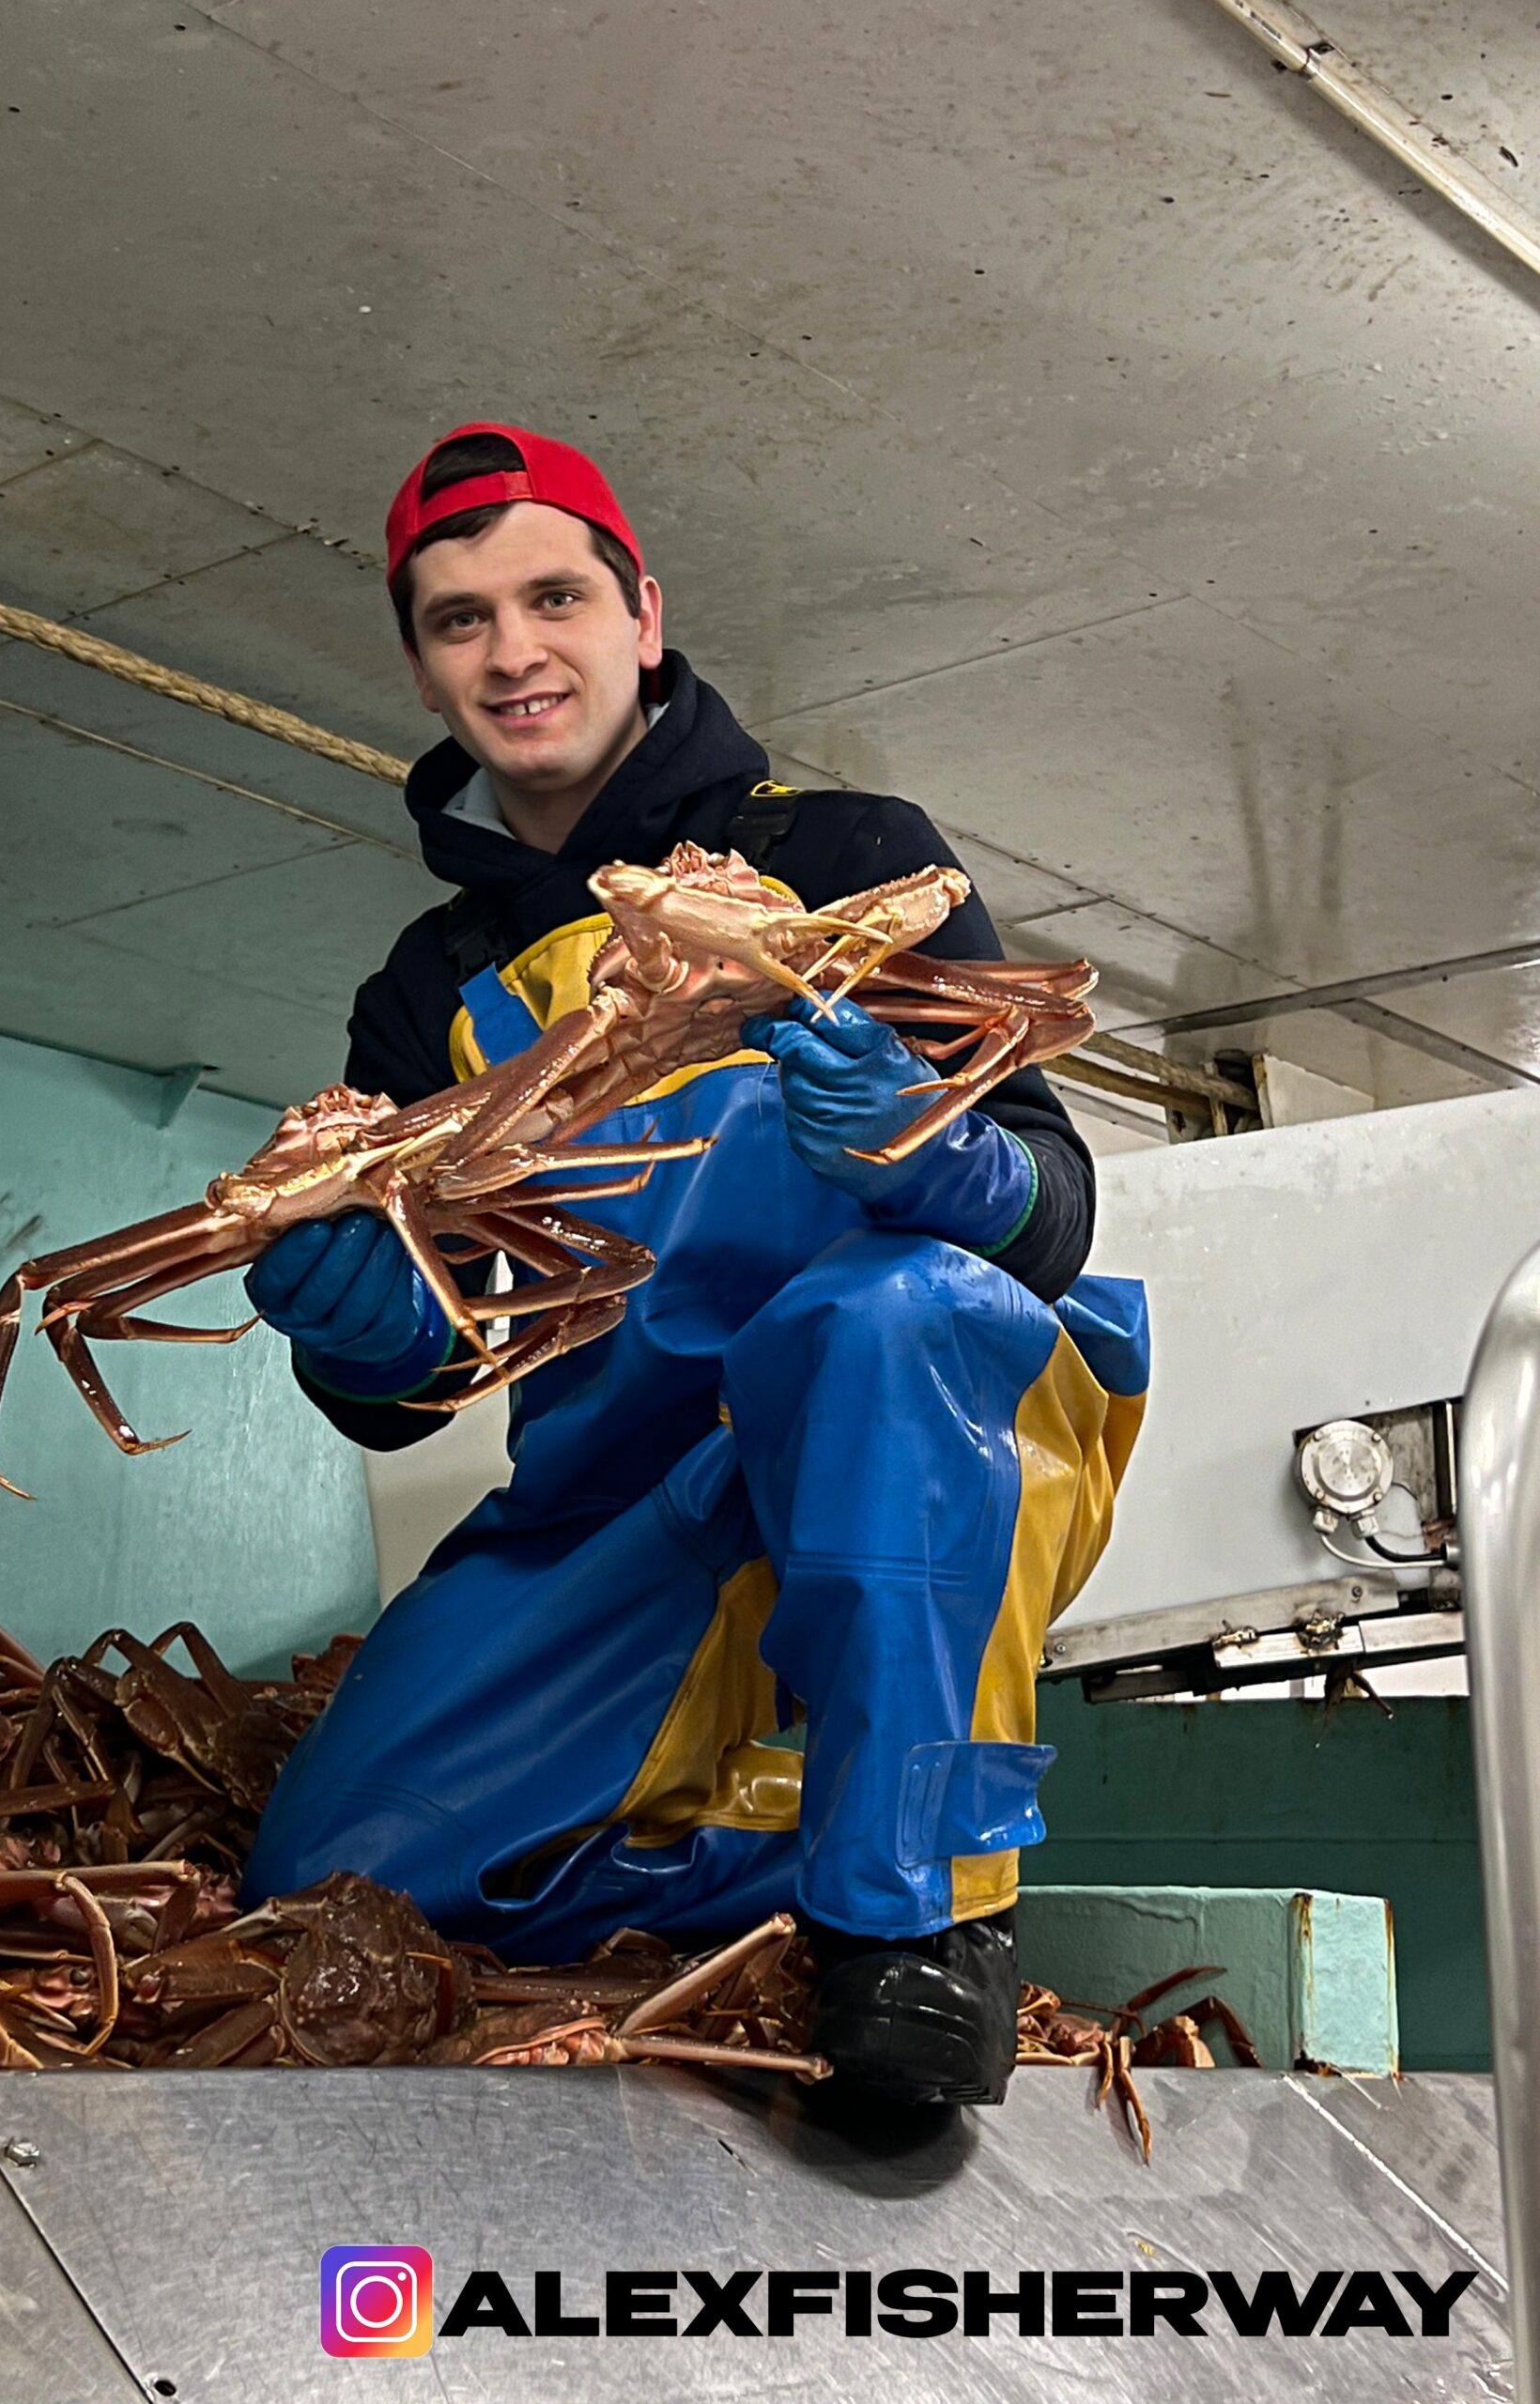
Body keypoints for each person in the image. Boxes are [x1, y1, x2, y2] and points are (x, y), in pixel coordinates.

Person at [239, 423, 1148, 2106]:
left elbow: (1058, 1213)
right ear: (424, 671)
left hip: (920, 1431)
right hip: (626, 1487)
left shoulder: (851, 854)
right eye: (458, 620)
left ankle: (917, 1923)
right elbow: (433, 1370)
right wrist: (360, 1336)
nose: (514, 651)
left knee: (885, 1310)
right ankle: (837, 1831)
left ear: (643, 616)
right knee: (338, 1880)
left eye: (555, 598)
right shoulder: (430, 988)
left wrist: (940, 1151)